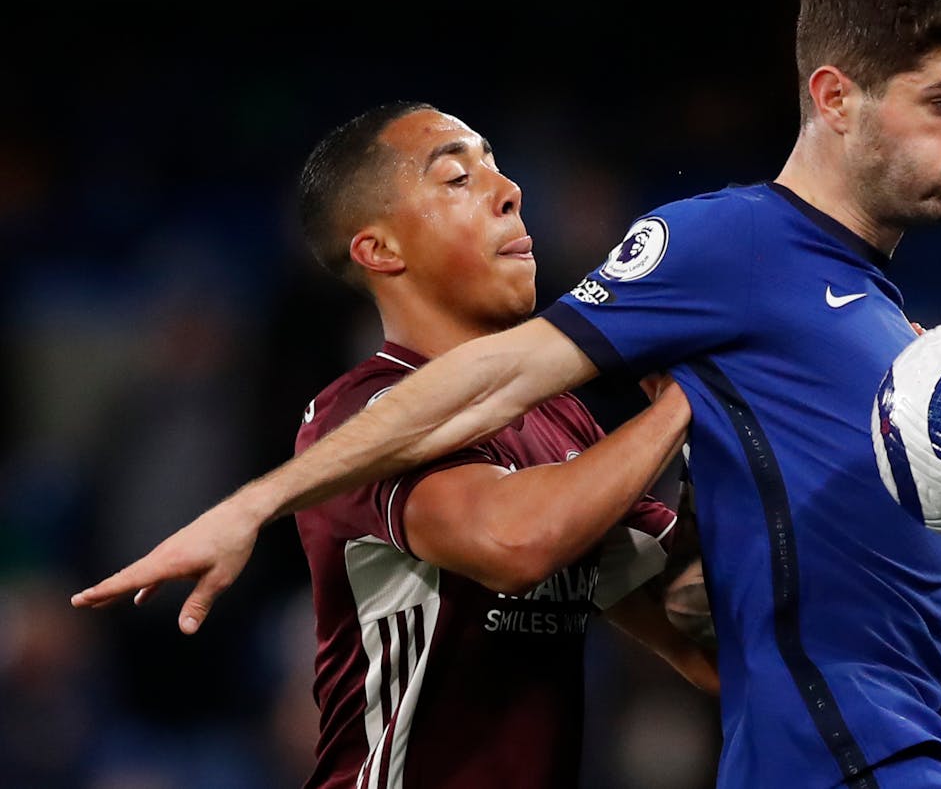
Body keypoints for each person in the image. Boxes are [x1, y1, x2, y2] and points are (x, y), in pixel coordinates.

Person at [76, 0, 941, 787]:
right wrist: (253, 502)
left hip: (899, 746)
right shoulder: (733, 250)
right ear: (831, 97)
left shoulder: (810, 329)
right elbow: (513, 512)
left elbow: (698, 625)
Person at [227, 101, 718, 787]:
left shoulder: (565, 425)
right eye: (458, 177)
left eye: (497, 166)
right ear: (380, 249)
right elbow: (515, 542)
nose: (509, 190)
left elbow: (701, 643)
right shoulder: (361, 416)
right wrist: (687, 400)